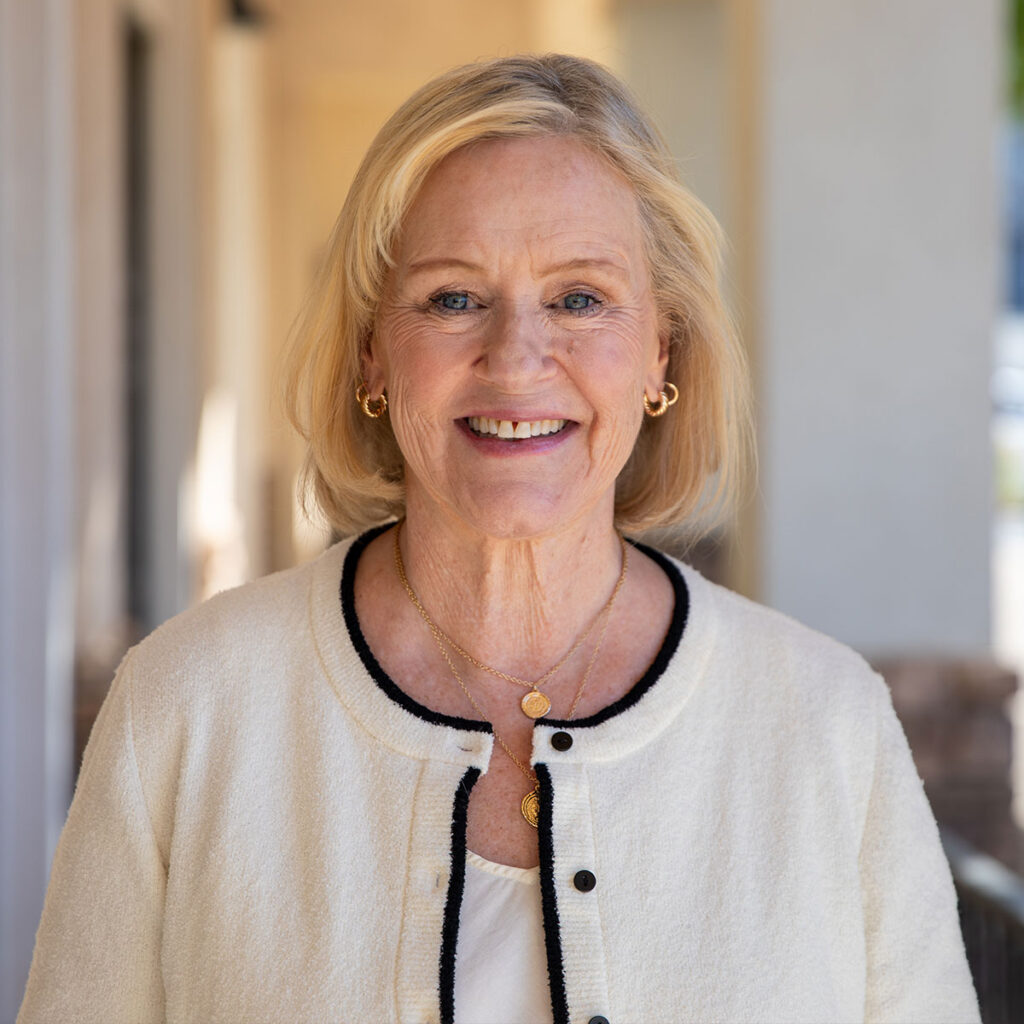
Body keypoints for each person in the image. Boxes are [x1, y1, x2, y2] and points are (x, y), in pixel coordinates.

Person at [19, 54, 978, 1024]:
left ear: (661, 350)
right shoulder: (182, 712)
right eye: (452, 297)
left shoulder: (829, 730)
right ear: (372, 354)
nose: (516, 355)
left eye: (578, 297)